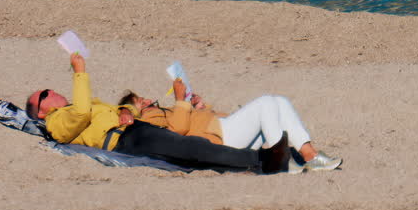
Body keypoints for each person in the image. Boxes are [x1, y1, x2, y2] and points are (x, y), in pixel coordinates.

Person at [27, 53, 291, 174]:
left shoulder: (72, 108)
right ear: (41, 111)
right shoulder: (56, 122)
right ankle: (261, 160)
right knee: (189, 149)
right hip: (124, 140)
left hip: (132, 129)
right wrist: (79, 72)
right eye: (44, 94)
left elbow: (111, 111)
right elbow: (83, 113)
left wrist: (126, 110)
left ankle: (252, 164)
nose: (51, 90)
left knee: (190, 149)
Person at [118, 79, 343, 172]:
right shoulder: (147, 121)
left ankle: (310, 155)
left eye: (144, 98)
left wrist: (200, 106)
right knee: (266, 102)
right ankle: (281, 161)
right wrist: (179, 100)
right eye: (141, 102)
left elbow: (191, 121)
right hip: (222, 137)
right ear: (136, 112)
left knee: (279, 101)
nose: (147, 101)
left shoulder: (164, 110)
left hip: (224, 127)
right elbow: (178, 130)